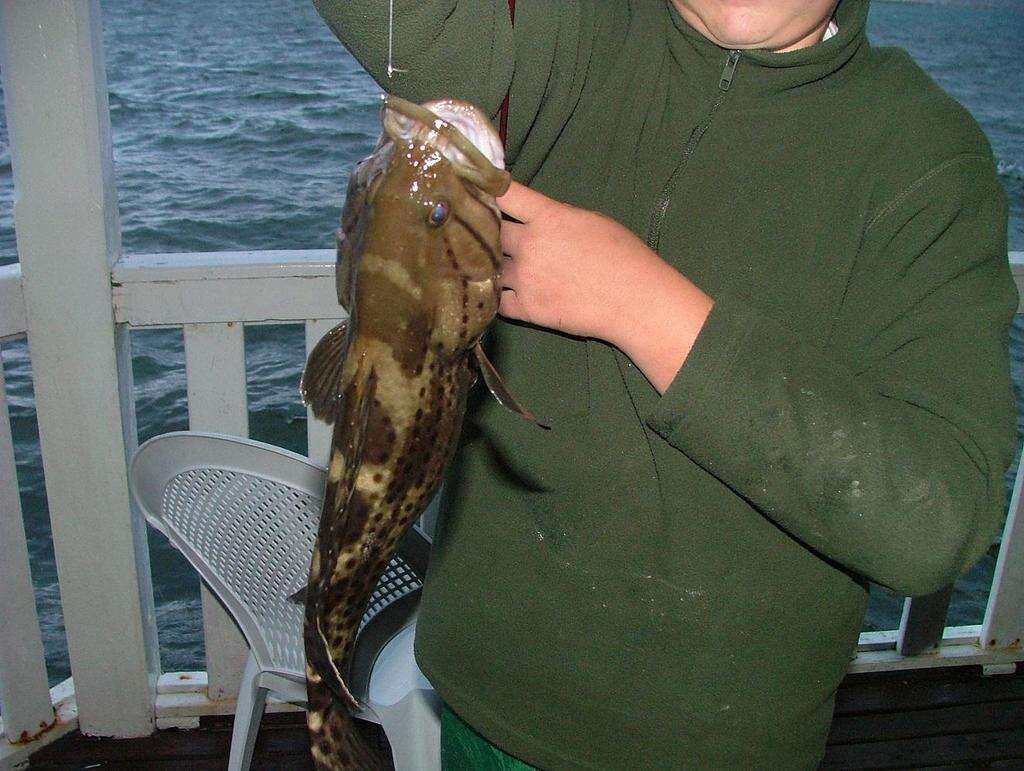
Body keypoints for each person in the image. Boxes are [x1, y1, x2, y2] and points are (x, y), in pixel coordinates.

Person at [312, 0, 1017, 767]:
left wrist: (640, 305)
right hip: (486, 705)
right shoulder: (572, 33)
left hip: (716, 747)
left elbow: (938, 515)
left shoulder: (927, 157)